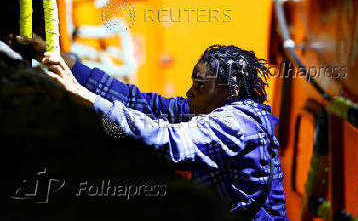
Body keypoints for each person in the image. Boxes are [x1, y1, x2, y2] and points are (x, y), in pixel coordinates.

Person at [11, 33, 288, 220]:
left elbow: (167, 139)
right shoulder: (210, 110)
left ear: (230, 90)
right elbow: (140, 103)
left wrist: (84, 97)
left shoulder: (236, 125)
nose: (189, 93)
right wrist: (63, 61)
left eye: (200, 85)